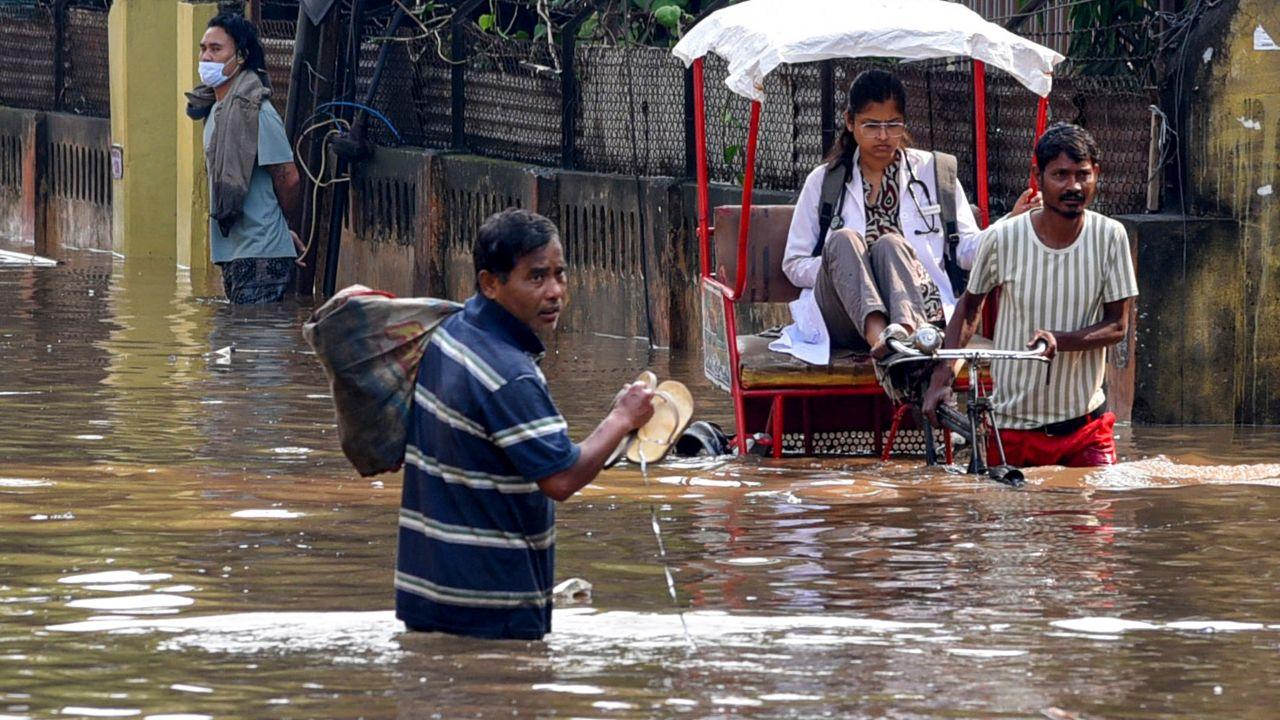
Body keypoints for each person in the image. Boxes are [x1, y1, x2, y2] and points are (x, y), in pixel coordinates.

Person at [396, 208, 655, 640]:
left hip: (427, 595)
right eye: (536, 277)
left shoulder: (451, 333)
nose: (554, 292)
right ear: (490, 284)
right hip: (491, 607)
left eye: (560, 274)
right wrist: (621, 419)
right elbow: (561, 478)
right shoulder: (509, 375)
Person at [777, 69, 1036, 362]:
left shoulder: (935, 173)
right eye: (871, 125)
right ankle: (885, 344)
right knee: (844, 240)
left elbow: (965, 251)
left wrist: (1009, 225)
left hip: (919, 311)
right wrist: (854, 268)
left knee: (890, 244)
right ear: (850, 122)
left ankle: (902, 334)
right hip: (844, 318)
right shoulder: (823, 181)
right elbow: (794, 264)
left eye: (893, 124)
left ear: (904, 123)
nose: (884, 136)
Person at [922, 123, 1138, 468]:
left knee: (1096, 517)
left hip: (1086, 428)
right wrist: (941, 378)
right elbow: (969, 308)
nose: (1074, 186)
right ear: (1038, 175)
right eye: (1061, 175)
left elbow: (1117, 326)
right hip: (1012, 430)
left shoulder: (1111, 236)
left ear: (1096, 174)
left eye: (1083, 174)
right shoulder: (1003, 238)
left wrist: (1059, 340)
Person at [187, 13, 303, 304]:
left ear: (241, 56)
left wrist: (279, 226)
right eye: (203, 48)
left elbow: (288, 178)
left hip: (260, 255)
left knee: (254, 340)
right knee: (240, 339)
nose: (207, 57)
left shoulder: (258, 112)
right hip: (235, 253)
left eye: (216, 49)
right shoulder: (215, 111)